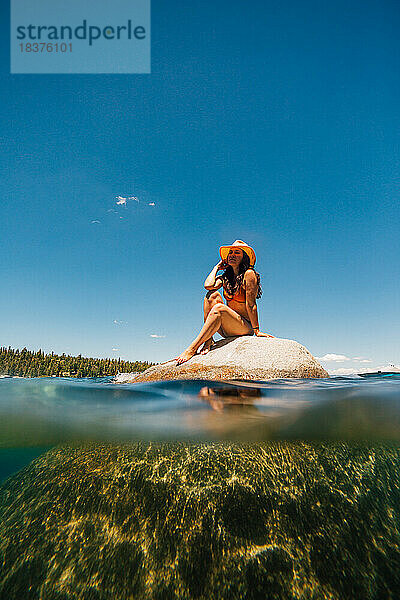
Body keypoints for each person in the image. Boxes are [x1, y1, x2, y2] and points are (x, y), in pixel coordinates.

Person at [176, 240, 274, 365]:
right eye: (230, 252)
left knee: (219, 308)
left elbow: (251, 304)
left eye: (237, 252)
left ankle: (192, 349)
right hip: (227, 327)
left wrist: (257, 331)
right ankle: (208, 340)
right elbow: (208, 285)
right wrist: (216, 268)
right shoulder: (226, 277)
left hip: (244, 327)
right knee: (211, 295)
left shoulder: (249, 274)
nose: (232, 255)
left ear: (244, 257)